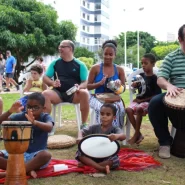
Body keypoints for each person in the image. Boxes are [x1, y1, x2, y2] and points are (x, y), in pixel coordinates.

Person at [148, 24, 185, 159]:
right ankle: (164, 142)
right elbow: (161, 78)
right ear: (180, 39)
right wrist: (169, 86)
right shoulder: (172, 57)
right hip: (176, 94)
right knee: (155, 102)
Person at [0, 92, 54, 178]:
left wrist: (34, 122)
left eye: (35, 107)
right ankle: (27, 169)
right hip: (17, 154)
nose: (31, 110)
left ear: (43, 108)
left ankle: (9, 174)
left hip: (34, 156)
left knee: (46, 155)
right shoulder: (23, 115)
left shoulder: (45, 117)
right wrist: (9, 111)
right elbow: (1, 121)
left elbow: (49, 127)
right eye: (29, 107)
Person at [42, 40, 89, 128]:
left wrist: (80, 86)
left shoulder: (80, 65)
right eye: (59, 46)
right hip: (58, 93)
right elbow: (45, 77)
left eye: (62, 47)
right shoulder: (55, 63)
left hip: (74, 94)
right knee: (45, 94)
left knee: (85, 93)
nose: (59, 48)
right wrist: (52, 82)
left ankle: (84, 124)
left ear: (70, 49)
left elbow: (85, 82)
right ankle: (47, 124)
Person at [76, 103, 126, 174]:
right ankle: (101, 168)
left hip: (107, 155)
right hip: (92, 153)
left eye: (108, 114)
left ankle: (88, 165)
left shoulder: (115, 129)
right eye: (102, 114)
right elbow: (81, 131)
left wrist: (116, 136)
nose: (104, 117)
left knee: (115, 160)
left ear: (114, 117)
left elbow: (123, 136)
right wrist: (79, 137)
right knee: (80, 152)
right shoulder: (95, 127)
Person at [87, 40, 126, 128]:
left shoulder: (119, 70)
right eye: (106, 54)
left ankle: (116, 132)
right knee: (103, 108)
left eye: (110, 54)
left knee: (118, 108)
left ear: (115, 55)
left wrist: (118, 85)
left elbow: (123, 89)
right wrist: (99, 83)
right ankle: (101, 132)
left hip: (113, 98)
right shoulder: (95, 68)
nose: (108, 56)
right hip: (97, 97)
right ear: (102, 54)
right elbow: (88, 86)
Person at [126, 53, 161, 145]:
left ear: (153, 64)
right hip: (139, 100)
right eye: (142, 63)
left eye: (146, 63)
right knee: (128, 110)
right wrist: (135, 85)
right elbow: (137, 88)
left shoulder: (155, 78)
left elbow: (157, 95)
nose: (143, 65)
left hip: (149, 102)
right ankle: (139, 134)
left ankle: (136, 134)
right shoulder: (141, 75)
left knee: (139, 108)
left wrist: (141, 101)